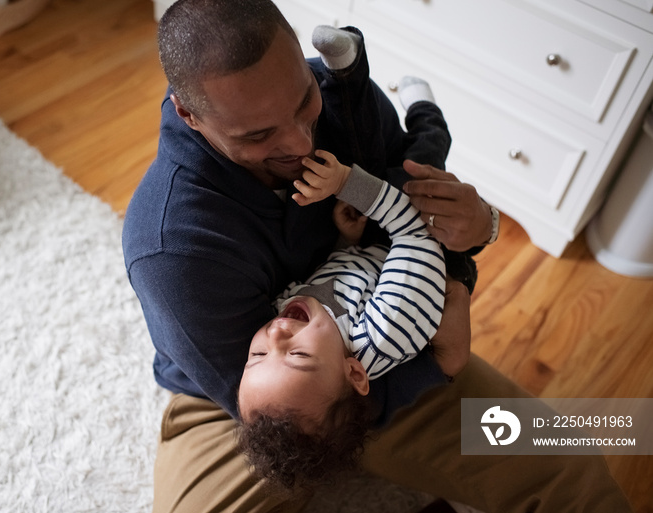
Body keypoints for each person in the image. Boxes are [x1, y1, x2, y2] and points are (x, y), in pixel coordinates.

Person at [121, 1, 633, 511]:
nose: (301, 142)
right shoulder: (171, 247)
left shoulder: (341, 96)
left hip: (383, 345)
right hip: (252, 405)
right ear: (189, 115)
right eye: (258, 135)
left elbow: (417, 223)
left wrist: (477, 232)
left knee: (570, 469)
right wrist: (437, 366)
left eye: (303, 102)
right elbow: (254, 390)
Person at [237, 150, 450, 490]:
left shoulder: (296, 319)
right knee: (424, 149)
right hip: (418, 240)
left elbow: (340, 283)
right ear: (353, 371)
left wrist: (346, 242)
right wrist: (347, 183)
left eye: (257, 356)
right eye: (297, 355)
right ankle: (420, 101)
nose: (276, 334)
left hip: (369, 245)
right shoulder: (386, 331)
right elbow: (416, 233)